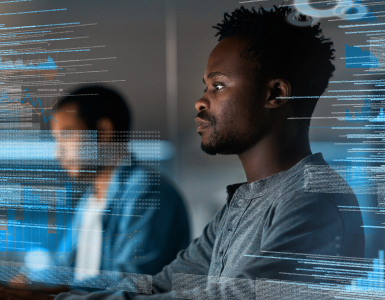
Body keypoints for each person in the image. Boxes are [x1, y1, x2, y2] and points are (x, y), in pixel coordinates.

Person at [0, 6, 365, 300]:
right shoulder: (241, 207)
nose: (201, 100)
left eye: (218, 85)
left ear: (275, 95)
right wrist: (49, 289)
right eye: (205, 86)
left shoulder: (313, 203)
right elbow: (163, 286)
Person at [9, 85, 191, 291]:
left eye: (66, 135)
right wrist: (31, 281)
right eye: (56, 139)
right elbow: (64, 263)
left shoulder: (147, 191)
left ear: (103, 132)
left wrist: (58, 290)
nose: (58, 152)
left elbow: (135, 279)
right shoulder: (90, 199)